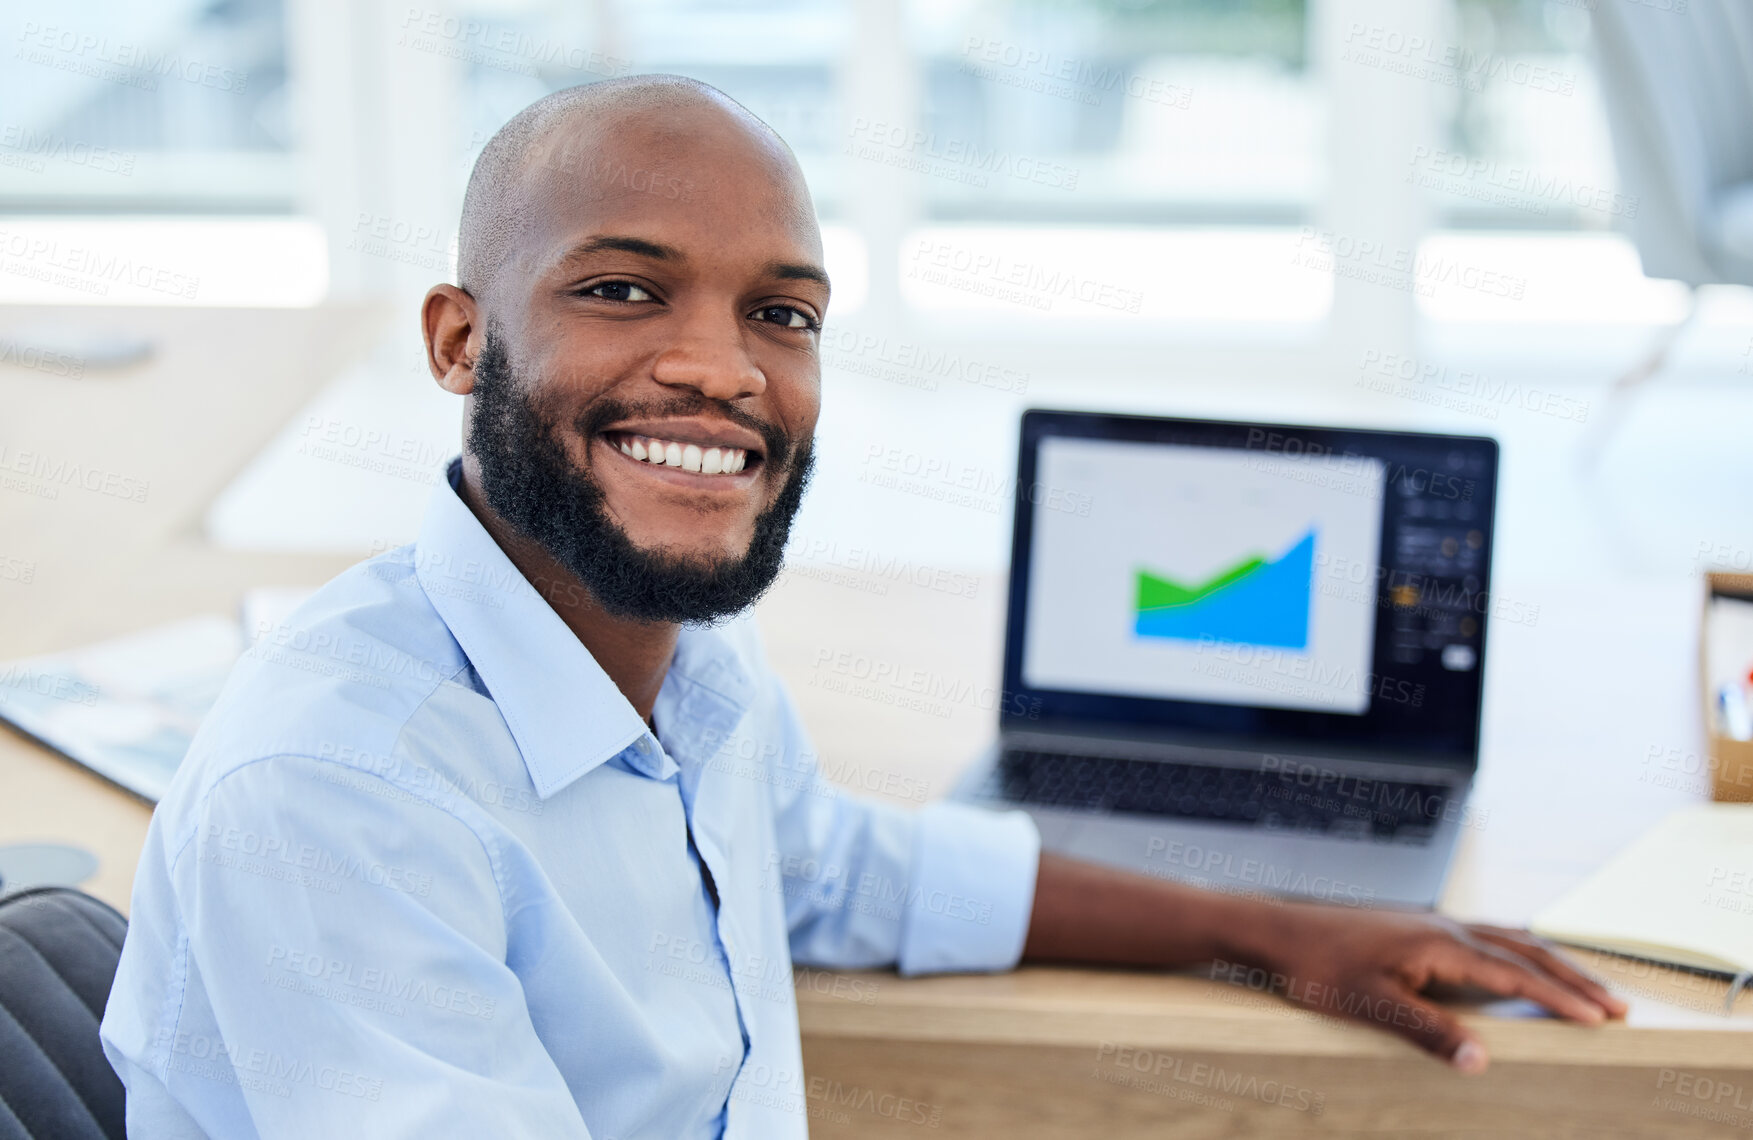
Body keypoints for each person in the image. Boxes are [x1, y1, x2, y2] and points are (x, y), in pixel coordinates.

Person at [100, 76, 1623, 1138]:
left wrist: (1282, 930)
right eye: (623, 290)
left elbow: (845, 877)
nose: (724, 368)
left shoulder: (686, 663)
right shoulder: (341, 800)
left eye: (782, 313)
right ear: (458, 340)